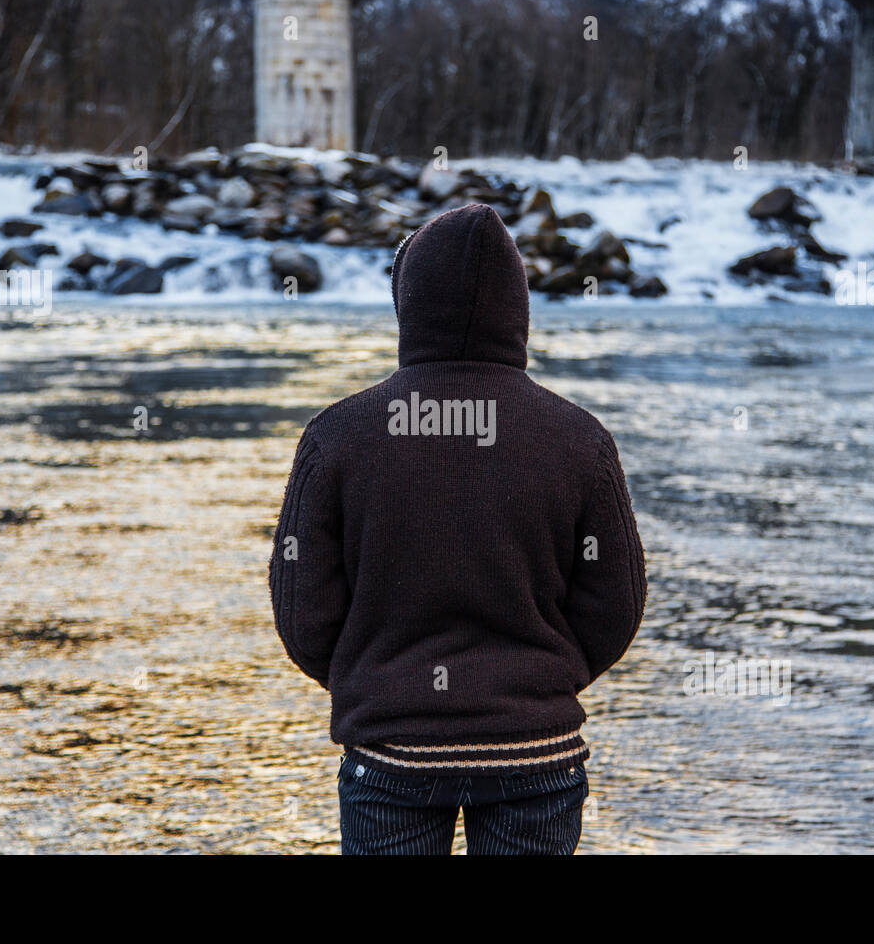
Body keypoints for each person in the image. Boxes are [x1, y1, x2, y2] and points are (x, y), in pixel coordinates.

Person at [269, 202, 647, 854]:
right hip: (536, 751)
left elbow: (303, 612)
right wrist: (541, 678)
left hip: (391, 752)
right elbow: (617, 603)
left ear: (408, 304)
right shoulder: (578, 439)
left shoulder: (338, 437)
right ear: (518, 308)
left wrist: (375, 679)